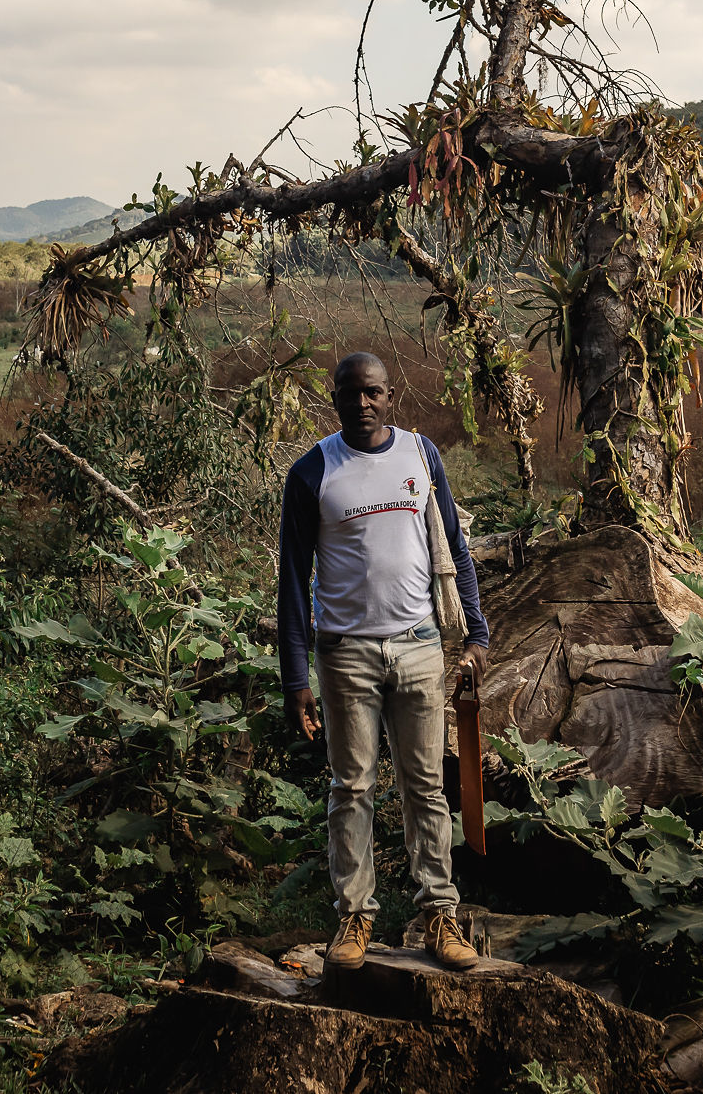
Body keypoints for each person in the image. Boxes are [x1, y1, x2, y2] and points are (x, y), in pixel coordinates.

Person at [278, 351, 492, 971]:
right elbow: (292, 580)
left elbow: (454, 546)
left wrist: (475, 634)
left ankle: (440, 918)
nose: (363, 404)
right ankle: (354, 918)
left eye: (373, 393)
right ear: (336, 398)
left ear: (391, 397)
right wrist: (297, 677)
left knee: (426, 786)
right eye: (351, 394)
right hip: (346, 654)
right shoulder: (314, 472)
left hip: (421, 645)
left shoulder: (421, 457)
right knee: (352, 787)